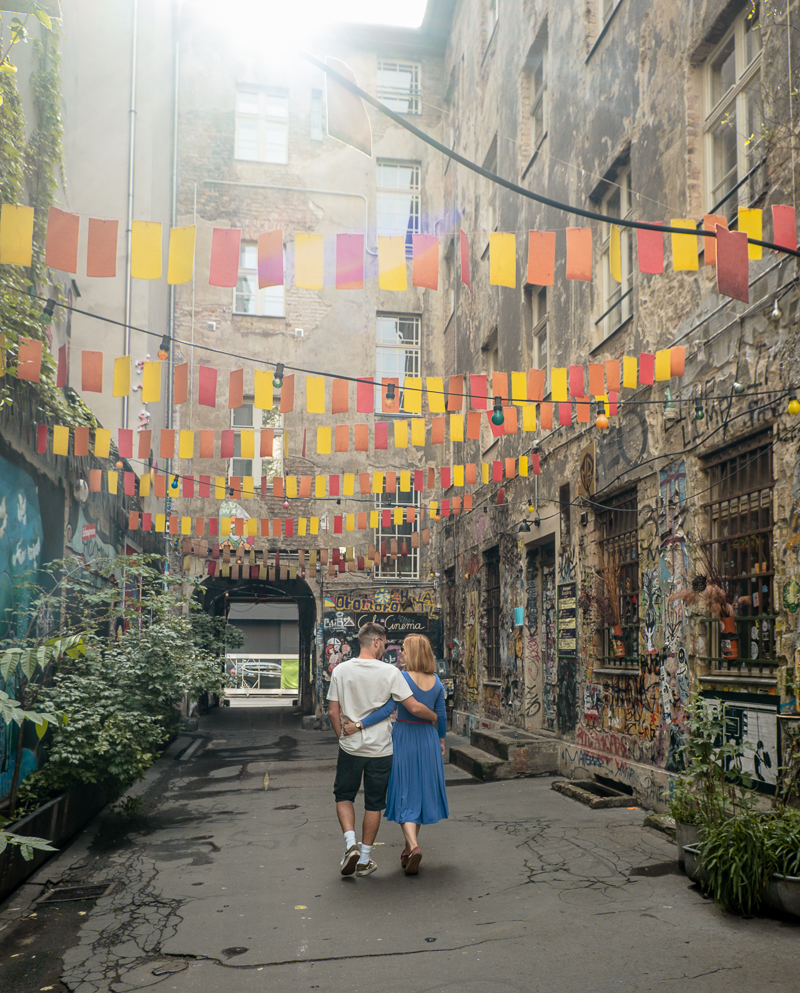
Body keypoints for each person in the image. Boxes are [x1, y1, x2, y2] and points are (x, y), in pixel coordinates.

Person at [327, 621, 437, 878]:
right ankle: (364, 857)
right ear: (375, 641)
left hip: (351, 748)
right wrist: (434, 718)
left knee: (344, 796)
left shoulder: (341, 670)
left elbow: (333, 711)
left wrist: (341, 737)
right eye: (385, 643)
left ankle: (350, 844)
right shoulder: (391, 673)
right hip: (381, 750)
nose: (386, 648)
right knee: (374, 804)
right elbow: (411, 706)